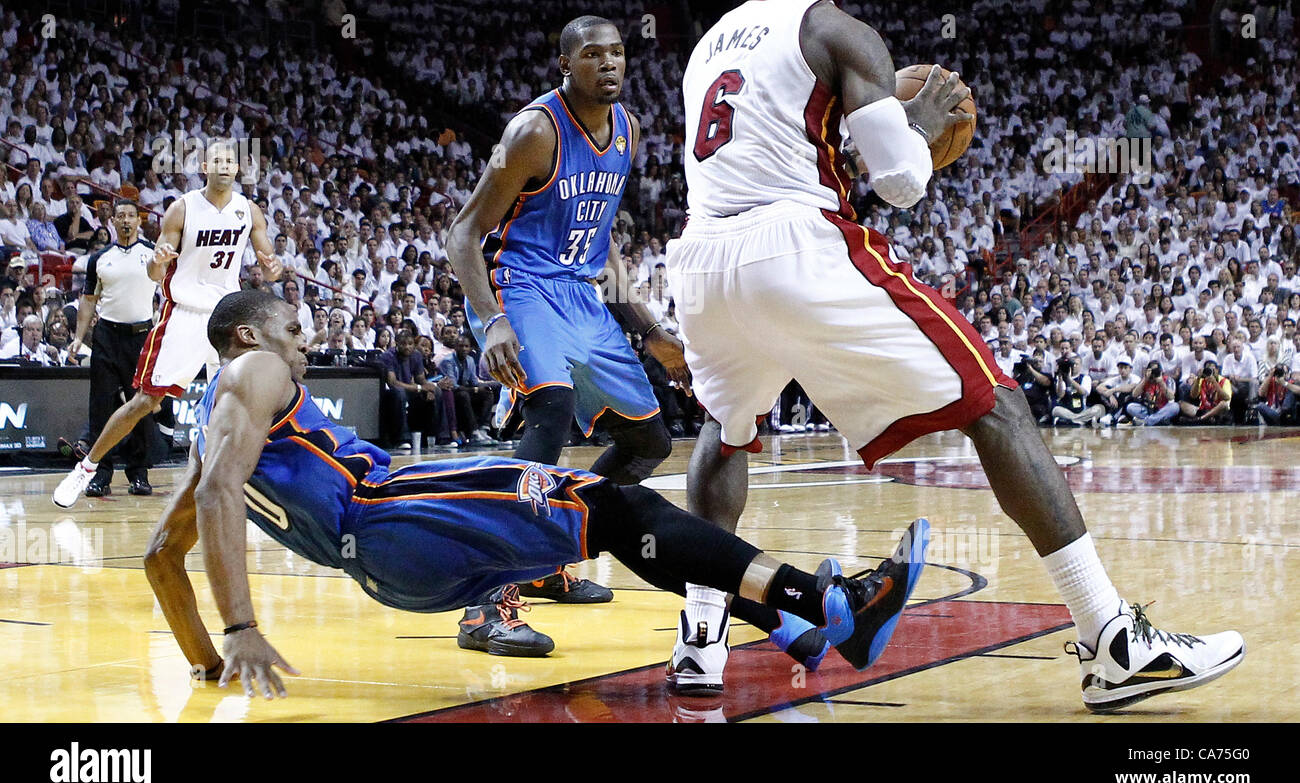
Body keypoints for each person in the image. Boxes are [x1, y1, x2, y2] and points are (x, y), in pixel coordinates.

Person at [665, 0, 1242, 709]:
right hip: (792, 244)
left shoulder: (704, 47)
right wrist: (920, 119)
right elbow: (899, 184)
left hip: (699, 265)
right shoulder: (839, 30)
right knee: (996, 404)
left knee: (725, 433)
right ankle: (1110, 637)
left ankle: (699, 647)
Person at [140, 290, 927, 696]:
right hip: (395, 512)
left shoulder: (214, 426)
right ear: (248, 337)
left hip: (394, 568)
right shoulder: (253, 371)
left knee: (617, 523)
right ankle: (830, 605)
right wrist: (241, 626)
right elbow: (215, 501)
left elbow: (158, 560)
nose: (302, 346)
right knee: (622, 509)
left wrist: (210, 665)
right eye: (291, 332)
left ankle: (794, 626)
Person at [446, 16, 692, 636]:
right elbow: (463, 235)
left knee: (649, 444)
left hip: (580, 293)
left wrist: (649, 327)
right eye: (591, 54)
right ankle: (486, 597)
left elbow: (602, 241)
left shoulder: (628, 129)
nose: (608, 63)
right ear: (565, 65)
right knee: (550, 410)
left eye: (616, 53)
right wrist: (493, 321)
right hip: (521, 286)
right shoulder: (533, 132)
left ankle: (547, 554)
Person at [54, 140, 283, 508]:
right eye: (218, 160)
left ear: (238, 169)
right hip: (184, 314)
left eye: (231, 161)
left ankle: (246, 478)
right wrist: (159, 260)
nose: (225, 165)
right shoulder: (183, 208)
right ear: (205, 166)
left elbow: (270, 262)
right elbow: (154, 271)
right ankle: (86, 467)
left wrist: (274, 268)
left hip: (226, 315)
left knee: (242, 398)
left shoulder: (249, 211)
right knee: (146, 401)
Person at [63, 200, 160, 496]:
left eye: (131, 215)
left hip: (141, 337)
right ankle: (100, 474)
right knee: (101, 407)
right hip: (106, 336)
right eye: (121, 216)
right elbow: (89, 301)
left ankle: (138, 474)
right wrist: (79, 338)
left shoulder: (153, 255)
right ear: (113, 222)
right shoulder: (99, 259)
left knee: (139, 406)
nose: (126, 221)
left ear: (138, 221)